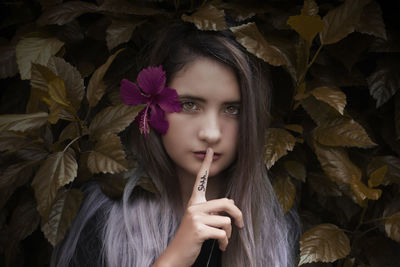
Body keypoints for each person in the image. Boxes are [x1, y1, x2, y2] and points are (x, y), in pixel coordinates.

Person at [51, 21, 299, 267]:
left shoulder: (276, 233)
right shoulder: (104, 221)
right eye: (189, 105)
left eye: (233, 109)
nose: (211, 133)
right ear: (152, 107)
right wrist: (174, 258)